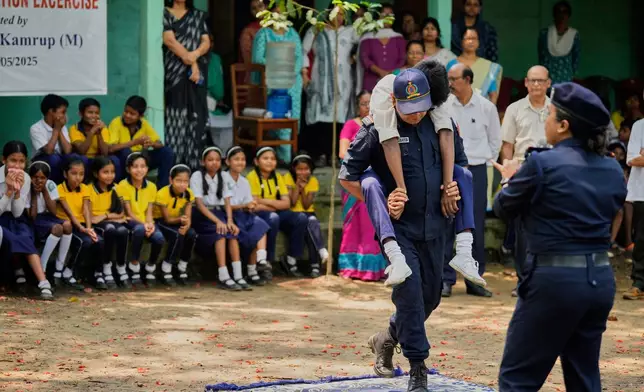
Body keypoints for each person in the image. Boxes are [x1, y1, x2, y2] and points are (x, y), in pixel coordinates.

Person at [493, 82, 626, 391]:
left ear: (564, 126)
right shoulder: (611, 169)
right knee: (583, 378)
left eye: (550, 115)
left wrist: (509, 178)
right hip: (599, 280)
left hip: (554, 280)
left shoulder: (542, 163)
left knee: (517, 379)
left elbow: (503, 208)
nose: (546, 121)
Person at [339, 69, 462, 391]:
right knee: (409, 293)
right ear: (394, 102)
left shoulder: (440, 125)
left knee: (430, 298)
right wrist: (380, 197)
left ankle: (387, 337)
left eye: (421, 105)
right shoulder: (375, 129)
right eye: (409, 108)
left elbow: (459, 167)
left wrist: (453, 190)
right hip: (400, 230)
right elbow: (348, 177)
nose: (416, 113)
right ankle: (417, 367)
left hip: (436, 226)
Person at [367, 62, 485, 288]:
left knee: (465, 177)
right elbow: (390, 140)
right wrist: (401, 189)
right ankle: (394, 255)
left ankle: (464, 250)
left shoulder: (435, 94)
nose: (422, 113)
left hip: (433, 207)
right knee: (371, 184)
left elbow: (446, 133)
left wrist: (448, 186)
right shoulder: (385, 91)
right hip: (396, 180)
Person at [442, 63, 501, 297]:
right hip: (451, 170)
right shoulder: (444, 106)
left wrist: (484, 162)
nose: (450, 84)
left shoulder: (486, 107)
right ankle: (445, 280)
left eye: (454, 79)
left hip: (476, 171)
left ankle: (474, 281)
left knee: (474, 224)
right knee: (447, 221)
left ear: (468, 80)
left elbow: (495, 141)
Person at [499, 65, 551, 296]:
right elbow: (507, 145)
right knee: (521, 229)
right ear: (526, 83)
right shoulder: (514, 109)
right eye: (533, 81)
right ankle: (523, 280)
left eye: (541, 81)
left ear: (549, 83)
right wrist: (507, 175)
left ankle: (544, 280)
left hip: (552, 170)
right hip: (522, 170)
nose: (537, 85)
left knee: (549, 225)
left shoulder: (557, 110)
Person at [338, 91, 388, 281]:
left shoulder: (382, 124)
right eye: (363, 103)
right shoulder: (351, 125)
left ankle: (373, 269)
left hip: (374, 180)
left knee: (372, 225)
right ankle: (350, 268)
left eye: (370, 103)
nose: (367, 107)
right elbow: (343, 152)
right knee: (352, 226)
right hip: (353, 179)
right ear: (357, 106)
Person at [302, 5, 359, 165]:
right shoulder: (317, 29)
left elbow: (361, 47)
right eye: (336, 13)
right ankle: (321, 153)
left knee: (340, 116)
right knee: (321, 116)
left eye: (342, 14)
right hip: (321, 81)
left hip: (344, 80)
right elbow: (303, 51)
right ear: (328, 13)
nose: (339, 17)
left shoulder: (350, 31)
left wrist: (355, 56)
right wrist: (304, 73)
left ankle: (336, 154)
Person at [190, 147, 250, 291]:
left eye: (217, 160)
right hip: (203, 214)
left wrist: (229, 220)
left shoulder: (223, 176)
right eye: (210, 160)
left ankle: (238, 275)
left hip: (220, 213)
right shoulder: (197, 176)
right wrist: (218, 221)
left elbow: (227, 201)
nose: (214, 163)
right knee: (220, 234)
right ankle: (223, 275)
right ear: (203, 162)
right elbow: (199, 204)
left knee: (232, 232)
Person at [0, 141, 54, 300]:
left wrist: (16, 192)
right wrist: (9, 191)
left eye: (21, 161)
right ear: (4, 160)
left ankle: (43, 283)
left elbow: (17, 213)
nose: (17, 166)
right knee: (9, 238)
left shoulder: (25, 179)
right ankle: (16, 272)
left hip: (16, 218)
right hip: (1, 219)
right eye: (12, 161)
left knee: (24, 236)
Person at [163, 0, 211, 171]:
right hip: (174, 73)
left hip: (195, 76)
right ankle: (175, 167)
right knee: (175, 115)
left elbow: (205, 42)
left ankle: (194, 166)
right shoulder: (164, 13)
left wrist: (194, 55)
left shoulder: (197, 15)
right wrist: (190, 61)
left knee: (196, 115)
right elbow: (169, 40)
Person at [252, 7, 305, 163]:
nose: (280, 15)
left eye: (283, 13)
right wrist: (278, 68)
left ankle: (288, 156)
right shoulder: (264, 34)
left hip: (291, 81)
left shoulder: (292, 34)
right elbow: (258, 59)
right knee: (277, 108)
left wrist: (288, 73)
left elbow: (298, 59)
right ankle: (279, 157)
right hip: (270, 80)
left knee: (290, 116)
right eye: (276, 12)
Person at [246, 147, 308, 277]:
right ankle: (266, 262)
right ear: (257, 162)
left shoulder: (278, 176)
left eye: (273, 159)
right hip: (259, 214)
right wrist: (275, 205)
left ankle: (291, 259)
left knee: (301, 218)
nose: (269, 162)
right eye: (265, 158)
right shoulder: (252, 177)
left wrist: (264, 201)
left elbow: (287, 203)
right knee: (273, 218)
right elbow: (254, 206)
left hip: (274, 211)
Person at [56, 156, 106, 289]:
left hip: (82, 225)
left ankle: (98, 273)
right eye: (74, 173)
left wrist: (89, 229)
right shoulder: (60, 189)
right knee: (85, 242)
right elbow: (69, 213)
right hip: (68, 225)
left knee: (99, 241)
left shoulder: (84, 188)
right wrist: (81, 228)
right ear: (65, 174)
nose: (78, 177)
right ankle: (68, 272)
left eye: (81, 174)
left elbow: (86, 209)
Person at [116, 153, 166, 287]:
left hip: (145, 221)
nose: (139, 170)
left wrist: (150, 225)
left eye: (143, 166)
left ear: (147, 168)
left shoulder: (151, 186)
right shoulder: (122, 185)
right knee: (138, 230)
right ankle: (134, 265)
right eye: (135, 167)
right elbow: (129, 212)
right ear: (128, 169)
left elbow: (149, 211)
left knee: (159, 238)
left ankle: (150, 267)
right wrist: (144, 225)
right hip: (131, 220)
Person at [225, 146, 270, 284]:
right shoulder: (223, 179)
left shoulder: (244, 181)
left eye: (243, 159)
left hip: (243, 214)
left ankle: (259, 261)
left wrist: (251, 206)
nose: (240, 162)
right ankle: (243, 271)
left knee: (259, 225)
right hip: (229, 215)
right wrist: (244, 206)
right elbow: (224, 205)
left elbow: (247, 202)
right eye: (236, 159)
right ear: (228, 162)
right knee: (244, 231)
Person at [108, 96, 175, 188]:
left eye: (132, 114)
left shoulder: (144, 124)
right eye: (126, 111)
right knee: (125, 151)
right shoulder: (116, 122)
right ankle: (128, 186)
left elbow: (159, 144)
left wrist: (152, 143)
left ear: (141, 116)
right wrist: (134, 142)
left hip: (141, 157)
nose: (127, 115)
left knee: (167, 152)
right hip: (124, 160)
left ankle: (162, 188)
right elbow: (111, 148)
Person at [27, 161, 74, 289]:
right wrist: (35, 194)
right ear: (30, 177)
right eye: (35, 177)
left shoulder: (50, 185)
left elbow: (54, 211)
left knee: (68, 225)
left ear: (47, 178)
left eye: (42, 178)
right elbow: (32, 216)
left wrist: (44, 191)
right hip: (34, 219)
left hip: (48, 216)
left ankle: (59, 267)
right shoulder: (27, 187)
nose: (39, 180)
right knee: (58, 228)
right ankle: (43, 267)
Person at [284, 153, 329, 278]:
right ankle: (319, 256)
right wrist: (297, 186)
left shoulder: (313, 181)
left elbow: (306, 205)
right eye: (299, 169)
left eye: (306, 169)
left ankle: (314, 264)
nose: (303, 172)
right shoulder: (288, 178)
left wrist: (303, 190)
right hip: (294, 214)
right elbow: (292, 203)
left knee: (312, 223)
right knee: (310, 225)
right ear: (294, 169)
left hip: (307, 212)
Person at [88, 157, 130, 289]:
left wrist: (105, 216)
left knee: (123, 231)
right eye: (105, 172)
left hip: (105, 220)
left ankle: (121, 266)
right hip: (96, 224)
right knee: (110, 229)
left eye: (112, 172)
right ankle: (105, 267)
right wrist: (110, 218)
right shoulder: (89, 189)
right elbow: (91, 217)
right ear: (96, 173)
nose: (110, 175)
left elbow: (121, 213)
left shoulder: (116, 188)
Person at [154, 164, 197, 286]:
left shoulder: (188, 193)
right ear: (171, 180)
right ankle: (166, 267)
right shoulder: (162, 193)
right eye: (178, 181)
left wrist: (186, 226)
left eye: (185, 181)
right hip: (161, 221)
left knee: (192, 234)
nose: (182, 184)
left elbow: (188, 217)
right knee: (177, 235)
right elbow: (167, 219)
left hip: (177, 221)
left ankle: (182, 265)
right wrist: (180, 222)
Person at [68, 98, 121, 179]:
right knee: (83, 158)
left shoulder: (103, 128)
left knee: (114, 159)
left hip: (97, 159)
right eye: (90, 112)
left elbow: (104, 153)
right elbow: (81, 151)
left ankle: (113, 186)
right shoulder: (74, 128)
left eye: (97, 113)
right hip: (82, 160)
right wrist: (92, 132)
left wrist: (99, 133)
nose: (94, 116)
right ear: (81, 114)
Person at [447, 28, 503, 104]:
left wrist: (490, 113)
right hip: (455, 108)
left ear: (478, 42)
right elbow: (446, 90)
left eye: (474, 39)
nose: (471, 41)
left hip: (480, 110)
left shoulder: (488, 66)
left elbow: (493, 94)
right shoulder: (452, 64)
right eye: (468, 38)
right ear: (461, 41)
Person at [359, 3, 406, 93]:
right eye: (384, 14)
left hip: (394, 81)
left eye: (390, 15)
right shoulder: (367, 38)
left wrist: (391, 73)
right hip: (371, 82)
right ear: (377, 16)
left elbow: (402, 59)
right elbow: (365, 59)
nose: (387, 17)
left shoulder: (399, 38)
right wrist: (381, 72)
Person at [30, 94, 73, 184]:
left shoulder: (62, 127)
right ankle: (54, 188)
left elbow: (68, 150)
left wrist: (59, 129)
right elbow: (48, 151)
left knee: (74, 159)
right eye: (63, 112)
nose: (65, 116)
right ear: (51, 111)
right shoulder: (36, 128)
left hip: (59, 157)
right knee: (54, 159)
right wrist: (56, 129)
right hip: (41, 159)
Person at [538, 1, 580, 84]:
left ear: (569, 15)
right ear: (554, 14)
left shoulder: (574, 35)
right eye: (559, 12)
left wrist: (570, 76)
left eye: (565, 12)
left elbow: (575, 60)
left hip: (566, 81)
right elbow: (541, 58)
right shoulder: (544, 34)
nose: (562, 15)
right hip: (547, 82)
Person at [239, 0, 266, 65]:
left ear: (266, 7)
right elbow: (248, 58)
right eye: (254, 8)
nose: (257, 10)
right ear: (251, 12)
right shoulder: (248, 31)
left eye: (260, 6)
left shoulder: (275, 27)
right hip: (256, 70)